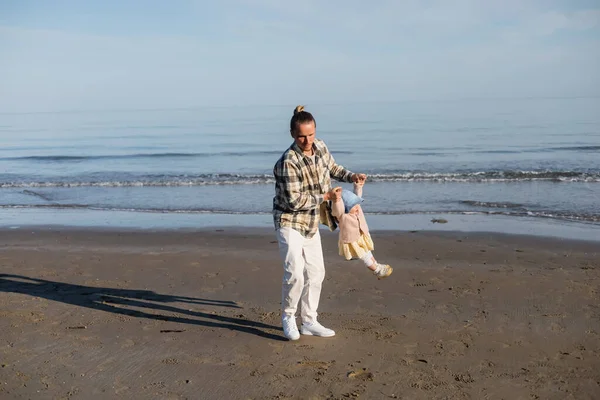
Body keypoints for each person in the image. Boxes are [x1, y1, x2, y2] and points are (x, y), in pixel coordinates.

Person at [273, 105, 366, 341]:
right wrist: (325, 197)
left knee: (316, 273)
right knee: (295, 273)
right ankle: (288, 317)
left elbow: (333, 168)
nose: (307, 140)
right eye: (302, 136)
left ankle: (309, 321)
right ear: (293, 134)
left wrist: (351, 176)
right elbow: (294, 201)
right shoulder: (288, 162)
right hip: (289, 220)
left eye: (311, 134)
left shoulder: (321, 146)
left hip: (312, 221)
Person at [330, 178, 393, 279]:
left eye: (356, 204)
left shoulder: (357, 207)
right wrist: (336, 200)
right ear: (345, 208)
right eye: (353, 206)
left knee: (367, 251)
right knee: (364, 256)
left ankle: (377, 265)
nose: (357, 207)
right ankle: (377, 271)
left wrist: (358, 186)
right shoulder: (342, 215)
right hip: (352, 239)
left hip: (361, 235)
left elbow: (357, 196)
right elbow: (337, 209)